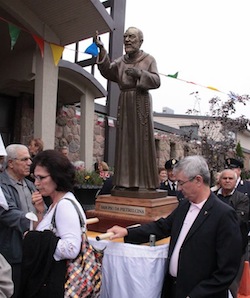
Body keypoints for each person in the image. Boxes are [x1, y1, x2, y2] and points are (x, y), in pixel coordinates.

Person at [106, 155, 242, 298]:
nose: (178, 188)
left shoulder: (223, 215)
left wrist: (196, 295)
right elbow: (161, 227)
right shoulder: (184, 206)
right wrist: (127, 232)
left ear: (198, 180)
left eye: (181, 183)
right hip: (174, 290)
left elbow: (227, 270)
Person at [94, 27, 160, 191]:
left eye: (131, 37)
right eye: (125, 37)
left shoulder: (148, 59)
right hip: (124, 101)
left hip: (140, 100)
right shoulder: (121, 61)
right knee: (125, 141)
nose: (127, 40)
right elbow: (107, 70)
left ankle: (144, 182)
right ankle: (125, 182)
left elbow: (157, 80)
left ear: (140, 41)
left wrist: (140, 74)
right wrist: (102, 50)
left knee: (141, 140)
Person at [20, 149, 86, 297]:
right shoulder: (55, 203)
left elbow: (71, 248)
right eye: (35, 177)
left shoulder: (64, 205)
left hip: (56, 282)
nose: (36, 183)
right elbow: (47, 232)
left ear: (57, 177)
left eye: (41, 178)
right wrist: (40, 212)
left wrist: (33, 239)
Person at [0, 144, 37, 298]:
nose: (29, 162)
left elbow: (42, 209)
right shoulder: (2, 185)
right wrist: (33, 223)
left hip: (30, 252)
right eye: (24, 159)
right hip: (12, 253)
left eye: (30, 158)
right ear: (10, 163)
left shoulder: (30, 185)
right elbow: (7, 213)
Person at [214, 169, 249, 298]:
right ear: (219, 180)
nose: (227, 181)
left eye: (230, 179)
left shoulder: (242, 199)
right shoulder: (212, 196)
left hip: (234, 247)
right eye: (225, 178)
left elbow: (238, 220)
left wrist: (214, 224)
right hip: (213, 245)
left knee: (232, 282)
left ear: (236, 182)